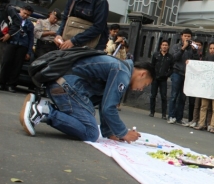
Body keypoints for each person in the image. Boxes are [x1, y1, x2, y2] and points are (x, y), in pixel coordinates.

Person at [20, 55, 154, 142]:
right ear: (142, 74)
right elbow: (109, 108)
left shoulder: (120, 66)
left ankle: (42, 106)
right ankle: (44, 112)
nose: (141, 89)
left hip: (61, 85)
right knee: (90, 133)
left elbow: (104, 102)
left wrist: (110, 132)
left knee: (89, 117)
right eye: (145, 85)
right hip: (66, 87)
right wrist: (123, 132)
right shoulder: (123, 72)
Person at [0, 4, 34, 93]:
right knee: (6, 62)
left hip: (23, 45)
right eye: (24, 13)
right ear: (21, 10)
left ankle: (11, 85)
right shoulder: (13, 18)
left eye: (28, 15)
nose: (25, 16)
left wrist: (29, 52)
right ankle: (1, 82)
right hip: (11, 42)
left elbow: (31, 38)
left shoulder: (29, 24)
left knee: (17, 66)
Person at [168, 29, 198, 125]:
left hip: (187, 75)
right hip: (177, 72)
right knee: (174, 96)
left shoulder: (193, 48)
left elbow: (197, 60)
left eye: (189, 36)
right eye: (185, 36)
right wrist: (183, 48)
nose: (187, 38)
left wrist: (195, 51)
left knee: (182, 97)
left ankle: (179, 118)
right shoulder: (176, 46)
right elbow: (174, 58)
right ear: (181, 36)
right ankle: (171, 116)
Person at [149, 40, 174, 119]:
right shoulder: (156, 55)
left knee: (164, 96)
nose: (164, 46)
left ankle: (163, 114)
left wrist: (167, 75)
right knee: (153, 95)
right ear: (160, 46)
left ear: (168, 46)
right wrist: (153, 75)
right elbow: (152, 66)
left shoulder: (170, 57)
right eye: (163, 45)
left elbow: (172, 68)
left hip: (163, 79)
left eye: (166, 45)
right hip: (155, 78)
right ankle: (152, 112)